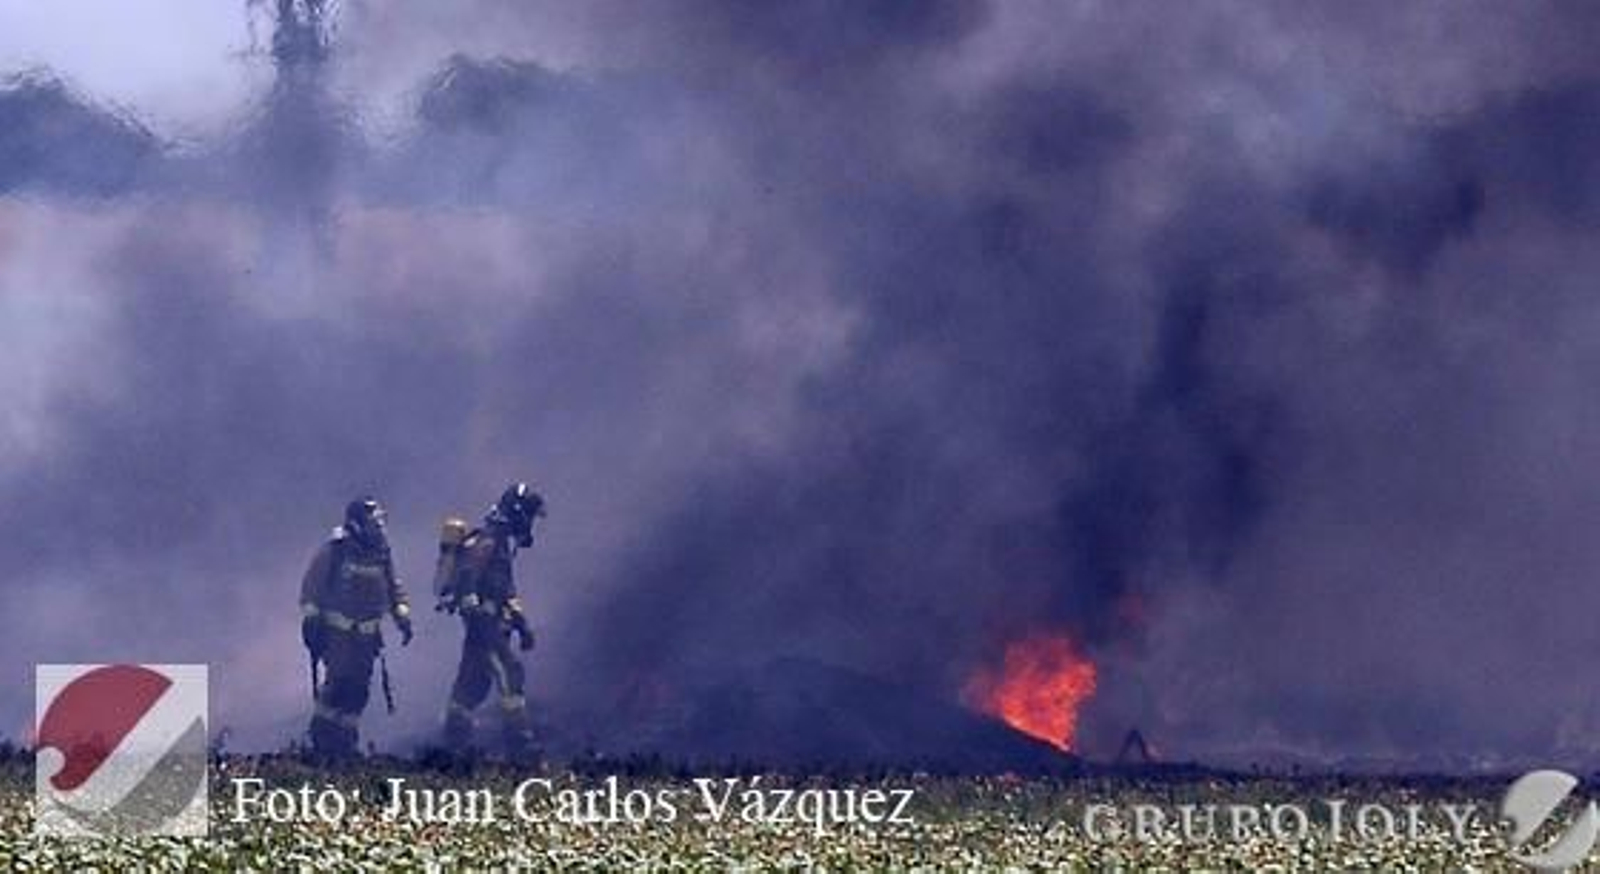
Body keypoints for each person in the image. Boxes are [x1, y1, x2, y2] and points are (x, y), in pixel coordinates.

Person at [299, 497, 412, 759]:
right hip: (339, 635)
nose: (380, 527)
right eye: (374, 522)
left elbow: (394, 587)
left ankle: (345, 742)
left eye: (381, 521)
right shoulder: (335, 551)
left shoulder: (381, 552)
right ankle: (321, 739)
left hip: (368, 639)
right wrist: (312, 621)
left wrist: (402, 616)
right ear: (357, 525)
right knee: (338, 684)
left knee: (359, 690)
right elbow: (310, 589)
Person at [436, 482, 544, 754]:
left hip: (493, 623)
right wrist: (475, 613)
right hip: (485, 625)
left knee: (472, 683)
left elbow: (506, 590)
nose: (530, 524)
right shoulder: (490, 540)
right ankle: (521, 744)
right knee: (510, 673)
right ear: (518, 514)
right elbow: (468, 575)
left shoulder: (501, 543)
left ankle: (452, 742)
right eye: (529, 517)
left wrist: (522, 625)